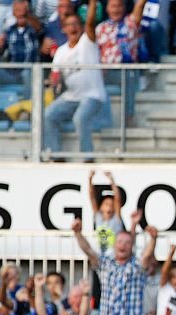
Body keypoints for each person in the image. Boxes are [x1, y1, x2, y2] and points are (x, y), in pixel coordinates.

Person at [71, 215, 157, 315]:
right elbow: (88, 250)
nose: (123, 245)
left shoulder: (137, 266)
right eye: (120, 242)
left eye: (127, 242)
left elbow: (147, 255)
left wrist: (154, 239)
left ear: (132, 246)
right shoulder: (105, 263)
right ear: (114, 244)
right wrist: (78, 233)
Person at [44, 0, 106, 157]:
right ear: (63, 29)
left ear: (81, 26)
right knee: (48, 115)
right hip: (71, 97)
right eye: (69, 25)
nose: (73, 27)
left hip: (92, 96)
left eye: (76, 24)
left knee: (79, 118)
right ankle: (56, 155)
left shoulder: (88, 41)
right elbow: (55, 75)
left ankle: (87, 157)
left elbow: (91, 22)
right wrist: (53, 81)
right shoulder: (61, 52)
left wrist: (92, 3)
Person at [87, 169, 124, 256]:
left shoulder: (116, 219)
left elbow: (117, 199)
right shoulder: (98, 218)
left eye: (111, 204)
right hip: (101, 257)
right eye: (106, 204)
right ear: (101, 207)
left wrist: (112, 180)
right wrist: (90, 179)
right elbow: (92, 198)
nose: (109, 206)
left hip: (115, 258)